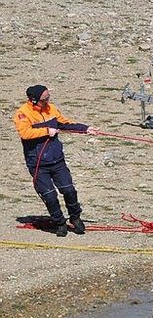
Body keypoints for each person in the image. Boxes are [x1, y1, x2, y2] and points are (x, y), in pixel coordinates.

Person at [13, 85, 98, 237]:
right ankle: (59, 222)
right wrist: (46, 131)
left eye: (48, 98)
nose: (47, 102)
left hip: (57, 161)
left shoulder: (51, 109)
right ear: (33, 101)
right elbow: (25, 133)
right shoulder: (22, 113)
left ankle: (75, 217)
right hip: (38, 163)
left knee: (69, 190)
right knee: (49, 196)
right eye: (44, 100)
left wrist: (85, 129)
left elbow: (65, 124)